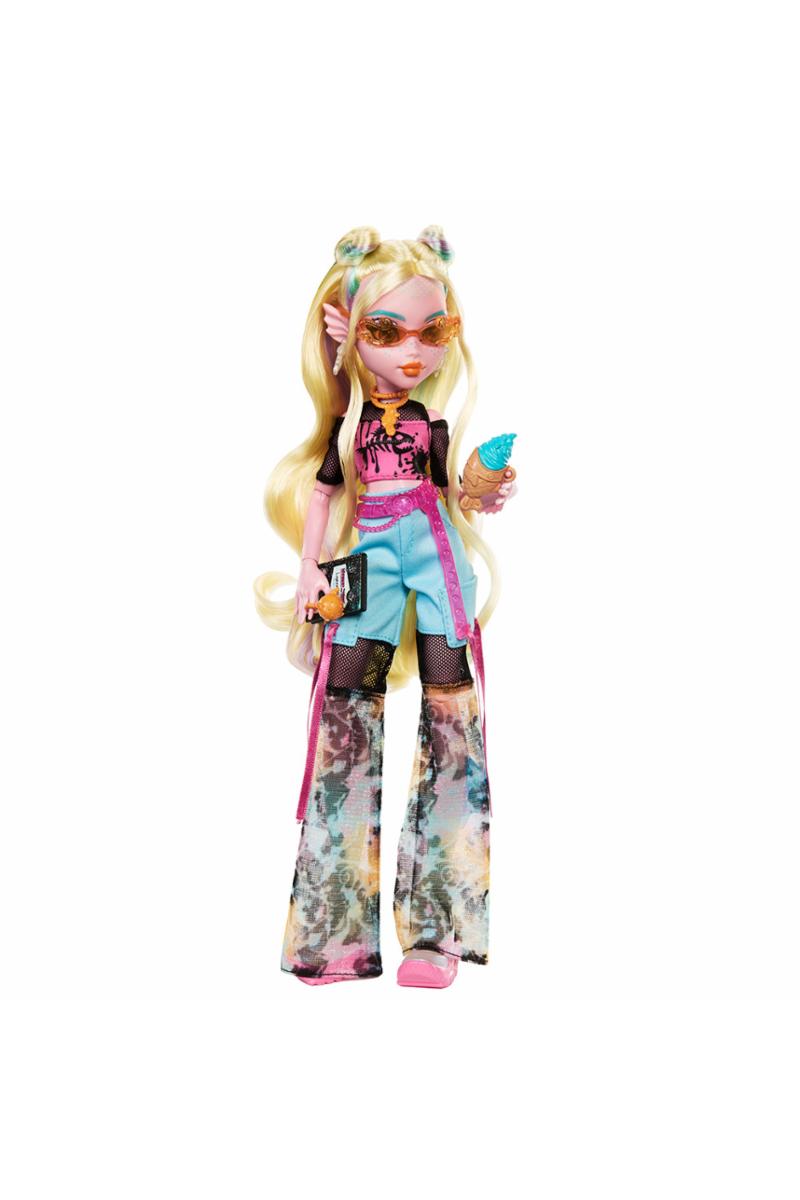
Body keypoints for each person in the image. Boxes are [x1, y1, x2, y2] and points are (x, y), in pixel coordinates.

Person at [254, 226, 516, 988]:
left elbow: (452, 491)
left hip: (436, 556)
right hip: (367, 562)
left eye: (433, 332)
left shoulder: (430, 426)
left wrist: (481, 490)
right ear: (350, 333)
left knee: (452, 720)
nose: (412, 352)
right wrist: (310, 567)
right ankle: (332, 929)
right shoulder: (349, 428)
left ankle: (440, 932)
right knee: (344, 718)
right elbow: (323, 495)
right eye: (385, 331)